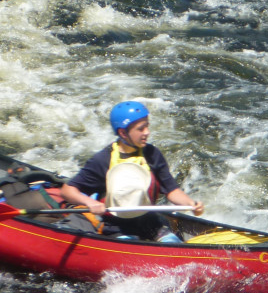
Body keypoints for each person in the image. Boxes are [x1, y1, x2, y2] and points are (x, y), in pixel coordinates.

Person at [60, 101, 204, 241]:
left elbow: (172, 191)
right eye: (141, 129)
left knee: (172, 242)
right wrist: (90, 203)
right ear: (123, 133)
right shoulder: (102, 160)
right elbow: (68, 191)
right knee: (129, 243)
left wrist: (191, 204)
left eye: (147, 126)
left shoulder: (152, 154)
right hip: (117, 228)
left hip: (151, 222)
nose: (147, 132)